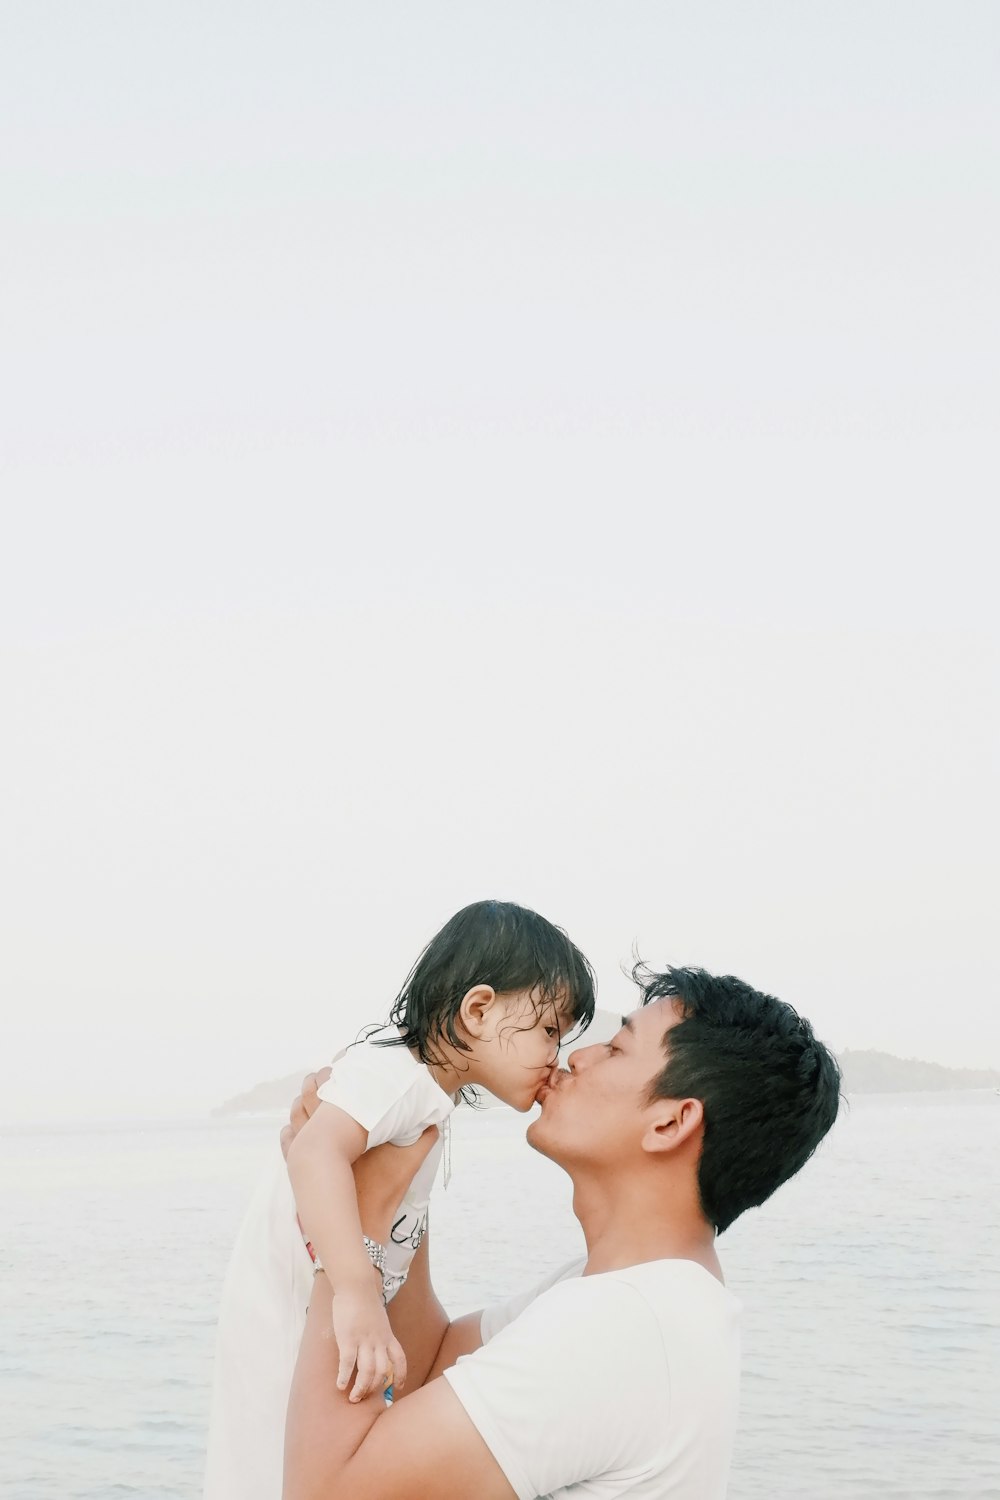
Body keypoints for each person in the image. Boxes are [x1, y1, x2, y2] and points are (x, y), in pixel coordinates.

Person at [280, 963, 842, 1500]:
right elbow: (427, 1363)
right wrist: (400, 1158)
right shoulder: (638, 1296)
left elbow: (325, 1493)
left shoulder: (623, 1327)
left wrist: (354, 1230)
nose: (577, 1058)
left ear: (671, 1122)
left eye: (617, 1048)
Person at [203, 899, 595, 1500]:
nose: (556, 1055)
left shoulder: (423, 1093)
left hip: (316, 1296)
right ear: (479, 1009)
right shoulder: (396, 1074)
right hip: (290, 1298)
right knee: (264, 1453)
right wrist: (358, 1292)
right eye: (549, 1030)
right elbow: (312, 1153)